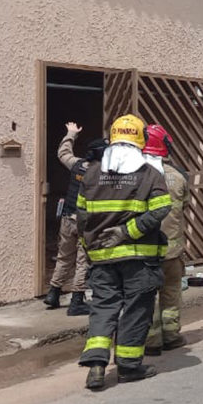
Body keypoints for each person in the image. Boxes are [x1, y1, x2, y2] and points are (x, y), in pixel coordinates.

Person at [77, 114, 171, 390]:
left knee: (103, 308)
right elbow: (162, 208)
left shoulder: (92, 172)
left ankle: (96, 365)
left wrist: (90, 245)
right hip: (139, 259)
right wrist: (127, 231)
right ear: (140, 140)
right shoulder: (149, 173)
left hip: (102, 258)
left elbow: (82, 216)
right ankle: (129, 367)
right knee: (135, 310)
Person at [44, 122, 107, 316]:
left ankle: (53, 293)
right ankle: (77, 300)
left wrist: (70, 134)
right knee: (82, 260)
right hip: (84, 222)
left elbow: (63, 153)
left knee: (64, 257)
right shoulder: (102, 174)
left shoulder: (77, 165)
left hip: (67, 218)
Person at [142, 125, 190, 356]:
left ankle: (151, 341)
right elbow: (184, 209)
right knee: (170, 294)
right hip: (172, 251)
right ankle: (171, 336)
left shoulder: (135, 175)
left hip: (145, 251)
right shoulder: (179, 177)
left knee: (147, 295)